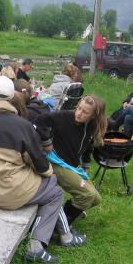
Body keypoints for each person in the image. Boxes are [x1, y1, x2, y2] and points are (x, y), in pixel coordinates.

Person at [0, 76, 85, 264]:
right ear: (12, 97)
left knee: (46, 187)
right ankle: (39, 245)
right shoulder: (22, 126)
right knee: (54, 190)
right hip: (14, 192)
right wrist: (48, 173)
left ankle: (62, 236)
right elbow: (40, 164)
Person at [34, 94, 107, 229]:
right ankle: (59, 227)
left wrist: (85, 166)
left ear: (94, 116)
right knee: (87, 194)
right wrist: (46, 141)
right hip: (56, 163)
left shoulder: (92, 126)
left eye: (85, 112)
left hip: (72, 166)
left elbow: (88, 147)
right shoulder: (65, 117)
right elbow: (39, 120)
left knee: (96, 198)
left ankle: (61, 215)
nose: (79, 114)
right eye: (78, 108)